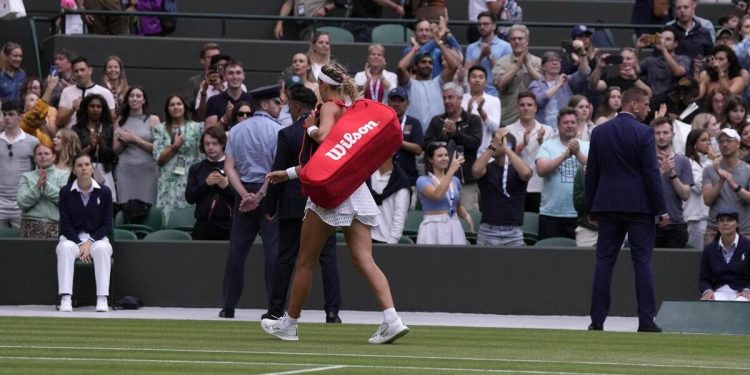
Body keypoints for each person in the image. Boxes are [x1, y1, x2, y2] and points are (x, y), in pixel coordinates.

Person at [263, 63, 408, 344]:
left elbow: (325, 138)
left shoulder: (329, 107)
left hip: (332, 197)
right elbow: (328, 160)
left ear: (324, 85)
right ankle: (392, 319)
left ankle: (289, 324)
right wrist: (290, 173)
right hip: (355, 190)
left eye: (317, 83)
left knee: (305, 262)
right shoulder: (354, 110)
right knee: (365, 259)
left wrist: (311, 126)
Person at [586, 87, 667, 333]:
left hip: (608, 206)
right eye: (646, 104)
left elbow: (592, 172)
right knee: (642, 262)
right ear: (633, 105)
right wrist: (660, 208)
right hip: (639, 207)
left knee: (604, 262)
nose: (649, 109)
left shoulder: (599, 132)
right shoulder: (644, 132)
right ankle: (646, 320)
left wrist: (591, 206)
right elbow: (651, 173)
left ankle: (597, 321)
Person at [262, 85, 341, 323]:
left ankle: (276, 309)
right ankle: (332, 311)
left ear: (295, 106)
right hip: (321, 201)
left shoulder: (287, 134)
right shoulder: (328, 132)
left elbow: (278, 172)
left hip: (293, 204)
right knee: (327, 257)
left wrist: (269, 207)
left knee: (286, 257)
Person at [219, 84, 281, 319]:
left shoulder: (236, 130)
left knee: (236, 251)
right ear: (266, 104)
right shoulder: (278, 130)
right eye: (277, 102)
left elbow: (229, 167)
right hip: (268, 193)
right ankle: (275, 307)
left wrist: (244, 194)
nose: (280, 106)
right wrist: (260, 195)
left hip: (243, 192)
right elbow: (277, 169)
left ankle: (228, 306)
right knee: (273, 253)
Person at [56, 153, 114, 313]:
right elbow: (65, 223)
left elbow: (107, 224)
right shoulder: (65, 192)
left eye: (87, 164)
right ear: (74, 170)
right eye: (79, 165)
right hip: (72, 238)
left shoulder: (105, 192)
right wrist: (81, 244)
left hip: (98, 238)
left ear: (92, 167)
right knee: (65, 248)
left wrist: (90, 242)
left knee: (102, 249)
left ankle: (102, 298)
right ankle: (66, 297)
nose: (84, 168)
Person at [424, 82, 483, 211]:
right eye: (444, 98)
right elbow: (427, 146)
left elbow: (474, 144)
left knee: (467, 222)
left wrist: (455, 133)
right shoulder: (436, 121)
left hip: (465, 183)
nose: (446, 101)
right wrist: (443, 138)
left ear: (461, 98)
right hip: (439, 182)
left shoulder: (473, 120)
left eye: (451, 97)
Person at [536, 108, 589, 240]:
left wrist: (578, 154)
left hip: (581, 214)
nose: (570, 125)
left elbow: (597, 171)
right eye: (565, 123)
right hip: (552, 213)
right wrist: (564, 156)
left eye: (572, 122)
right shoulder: (547, 146)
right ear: (558, 126)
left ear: (577, 125)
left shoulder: (588, 146)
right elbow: (541, 170)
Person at [472, 128, 531, 246]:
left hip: (513, 232)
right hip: (487, 231)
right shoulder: (487, 167)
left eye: (495, 142)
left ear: (506, 145)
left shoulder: (517, 168)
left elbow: (526, 174)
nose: (491, 145)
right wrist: (494, 146)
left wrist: (507, 150)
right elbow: (476, 171)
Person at [397, 20, 459, 130]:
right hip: (414, 135)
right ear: (415, 66)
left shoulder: (438, 82)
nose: (427, 65)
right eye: (423, 62)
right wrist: (415, 48)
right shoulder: (409, 84)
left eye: (430, 63)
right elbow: (401, 67)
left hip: (436, 136)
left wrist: (438, 42)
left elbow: (454, 66)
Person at [152, 95, 203, 224]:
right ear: (167, 109)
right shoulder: (160, 129)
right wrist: (174, 147)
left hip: (191, 176)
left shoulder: (197, 127)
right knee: (168, 214)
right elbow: (159, 158)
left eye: (179, 104)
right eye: (172, 105)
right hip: (168, 178)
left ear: (185, 107)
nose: (176, 107)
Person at [416, 142, 472, 245]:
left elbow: (457, 206)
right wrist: (451, 170)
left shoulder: (455, 180)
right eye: (440, 155)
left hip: (453, 225)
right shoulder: (423, 180)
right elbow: (437, 194)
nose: (444, 158)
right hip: (433, 226)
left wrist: (467, 216)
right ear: (430, 159)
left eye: (446, 155)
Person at [506, 91, 553, 213]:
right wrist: (522, 145)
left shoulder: (547, 130)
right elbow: (505, 160)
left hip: (539, 187)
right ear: (518, 108)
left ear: (536, 108)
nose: (526, 108)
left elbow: (552, 158)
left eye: (529, 105)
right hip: (515, 186)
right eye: (522, 105)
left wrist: (541, 142)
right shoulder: (508, 130)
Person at [702, 128, 750, 244]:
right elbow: (707, 200)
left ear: (738, 144)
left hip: (743, 230)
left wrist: (733, 184)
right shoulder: (710, 169)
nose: (724, 144)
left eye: (729, 140)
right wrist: (721, 181)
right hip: (714, 230)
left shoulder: (748, 169)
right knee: (711, 261)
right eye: (721, 141)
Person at [185, 126, 234, 240]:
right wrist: (205, 183)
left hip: (229, 225)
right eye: (207, 144)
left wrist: (226, 187)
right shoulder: (196, 168)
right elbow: (189, 198)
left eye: (214, 143)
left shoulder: (234, 167)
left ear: (222, 144)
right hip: (203, 225)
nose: (211, 147)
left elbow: (241, 199)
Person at [113, 86, 160, 205]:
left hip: (147, 171)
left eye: (138, 96)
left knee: (148, 206)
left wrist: (135, 139)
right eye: (131, 96)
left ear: (144, 100)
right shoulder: (120, 119)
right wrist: (124, 142)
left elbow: (158, 149)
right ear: (127, 99)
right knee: (125, 206)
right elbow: (115, 151)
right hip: (125, 170)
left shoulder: (153, 119)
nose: (135, 99)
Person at [652, 117, 693, 248]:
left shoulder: (683, 161)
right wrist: (662, 170)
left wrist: (672, 174)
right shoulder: (645, 160)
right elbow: (640, 190)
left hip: (676, 225)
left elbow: (685, 195)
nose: (661, 137)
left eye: (665, 132)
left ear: (673, 135)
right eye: (657, 133)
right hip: (650, 224)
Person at [492, 24, 542, 126]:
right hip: (508, 120)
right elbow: (500, 84)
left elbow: (543, 84)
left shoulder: (538, 62)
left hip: (534, 121)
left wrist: (528, 65)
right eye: (513, 39)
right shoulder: (502, 63)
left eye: (520, 38)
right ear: (509, 41)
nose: (517, 42)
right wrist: (517, 66)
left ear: (527, 41)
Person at [16, 143, 68, 239]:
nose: (43, 156)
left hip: (55, 225)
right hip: (29, 225)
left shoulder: (64, 175)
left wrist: (46, 186)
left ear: (54, 157)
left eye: (46, 153)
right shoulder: (26, 176)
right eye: (39, 154)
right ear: (35, 158)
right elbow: (22, 202)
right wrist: (37, 187)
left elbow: (66, 200)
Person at [71, 94, 117, 201]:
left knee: (107, 203)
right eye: (92, 106)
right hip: (83, 170)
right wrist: (90, 147)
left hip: (104, 170)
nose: (95, 109)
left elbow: (112, 156)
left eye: (98, 106)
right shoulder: (77, 129)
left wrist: (101, 144)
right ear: (86, 108)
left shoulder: (109, 128)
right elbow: (74, 155)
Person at [1, 100, 39, 229]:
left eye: (11, 114)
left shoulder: (32, 142)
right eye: (4, 114)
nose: (7, 118)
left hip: (22, 204)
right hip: (0, 204)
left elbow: (38, 171)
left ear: (21, 116)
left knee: (23, 247)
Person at [699, 209, 750, 302]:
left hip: (743, 292)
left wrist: (748, 290)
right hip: (719, 292)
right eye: (721, 220)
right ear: (717, 225)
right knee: (707, 303)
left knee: (741, 303)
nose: (725, 223)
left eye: (729, 220)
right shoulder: (709, 250)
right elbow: (703, 279)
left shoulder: (748, 246)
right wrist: (707, 291)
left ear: (737, 224)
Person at [529, 50, 591, 128]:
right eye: (551, 60)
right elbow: (539, 101)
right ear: (543, 66)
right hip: (543, 129)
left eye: (558, 61)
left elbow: (584, 73)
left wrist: (583, 54)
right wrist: (558, 85)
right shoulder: (536, 84)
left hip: (566, 127)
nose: (555, 63)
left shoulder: (567, 80)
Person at [387, 87, 424, 207]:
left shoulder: (414, 123)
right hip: (385, 179)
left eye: (400, 100)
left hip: (407, 179)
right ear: (388, 102)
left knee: (406, 218)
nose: (396, 104)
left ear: (407, 104)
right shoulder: (383, 121)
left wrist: (399, 141)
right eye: (393, 100)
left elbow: (418, 149)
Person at [56, 56, 116, 129]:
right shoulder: (66, 92)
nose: (79, 73)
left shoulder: (105, 92)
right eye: (76, 71)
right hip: (71, 136)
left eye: (82, 70)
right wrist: (72, 109)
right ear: (72, 73)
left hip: (96, 136)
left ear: (90, 70)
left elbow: (112, 121)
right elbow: (59, 122)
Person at [464, 11, 511, 97]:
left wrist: (490, 56)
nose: (482, 27)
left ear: (494, 26)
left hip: (496, 94)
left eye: (486, 24)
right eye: (480, 24)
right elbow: (468, 72)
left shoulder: (506, 46)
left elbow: (505, 73)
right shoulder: (471, 47)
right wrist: (480, 57)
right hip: (474, 94)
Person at [636, 27, 691, 97]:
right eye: (661, 38)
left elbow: (678, 72)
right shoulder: (650, 61)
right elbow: (634, 70)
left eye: (668, 39)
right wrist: (638, 48)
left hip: (674, 100)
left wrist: (663, 49)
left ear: (675, 44)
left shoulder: (683, 59)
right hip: (653, 100)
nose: (663, 41)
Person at [369, 155, 410, 244]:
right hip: (363, 238)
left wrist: (392, 243)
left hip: (386, 241)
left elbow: (400, 216)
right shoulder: (367, 174)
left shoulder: (400, 180)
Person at [462, 65, 501, 155]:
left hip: (485, 152)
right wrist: (468, 111)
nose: (477, 80)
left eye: (481, 77)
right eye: (474, 76)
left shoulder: (494, 100)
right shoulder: (461, 99)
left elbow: (495, 128)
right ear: (468, 80)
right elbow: (459, 127)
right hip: (465, 152)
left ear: (485, 82)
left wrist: (481, 111)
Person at [684, 128, 712, 250]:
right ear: (694, 144)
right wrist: (711, 162)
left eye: (709, 140)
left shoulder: (706, 162)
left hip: (707, 217)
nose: (708, 143)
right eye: (704, 140)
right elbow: (700, 186)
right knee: (696, 256)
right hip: (695, 218)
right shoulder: (689, 163)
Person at [204, 61, 252, 129]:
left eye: (238, 73)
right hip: (223, 139)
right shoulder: (213, 101)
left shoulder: (252, 100)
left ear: (243, 75)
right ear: (224, 76)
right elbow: (208, 132)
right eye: (230, 73)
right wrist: (225, 118)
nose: (235, 77)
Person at [183, 43, 221, 115]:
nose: (214, 60)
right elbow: (186, 105)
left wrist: (221, 88)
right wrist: (202, 91)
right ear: (202, 60)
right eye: (210, 57)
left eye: (217, 57)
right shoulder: (194, 81)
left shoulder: (227, 80)